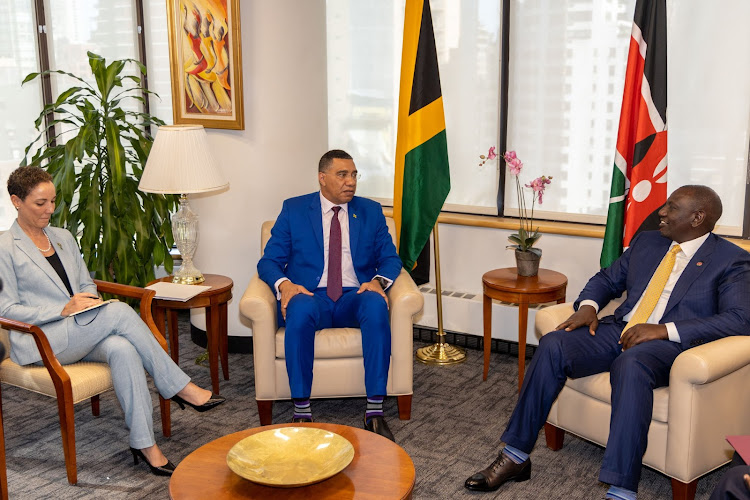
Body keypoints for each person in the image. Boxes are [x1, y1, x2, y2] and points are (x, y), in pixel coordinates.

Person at [465, 185, 750, 499]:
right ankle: (515, 456)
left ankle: (622, 489)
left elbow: (740, 319)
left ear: (698, 217)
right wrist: (588, 306)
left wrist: (664, 330)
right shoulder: (648, 242)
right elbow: (607, 279)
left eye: (672, 207)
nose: (662, 212)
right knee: (554, 344)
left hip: (670, 346)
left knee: (631, 364)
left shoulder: (730, 260)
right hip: (621, 329)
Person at [0, 166, 226, 476]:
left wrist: (88, 302)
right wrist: (64, 308)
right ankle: (179, 386)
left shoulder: (62, 236)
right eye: (40, 204)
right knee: (119, 311)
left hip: (79, 330)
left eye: (53, 201)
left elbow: (86, 284)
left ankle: (145, 445)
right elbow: (6, 307)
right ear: (16, 201)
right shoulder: (5, 247)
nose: (50, 210)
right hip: (41, 340)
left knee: (122, 348)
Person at [257, 149, 403, 441]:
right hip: (311, 295)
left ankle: (374, 411)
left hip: (354, 294)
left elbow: (390, 259)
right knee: (297, 309)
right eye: (342, 175)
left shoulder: (371, 212)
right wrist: (285, 285)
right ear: (322, 178)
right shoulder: (294, 210)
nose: (350, 182)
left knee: (376, 305)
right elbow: (268, 261)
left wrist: (377, 281)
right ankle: (301, 411)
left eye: (354, 175)